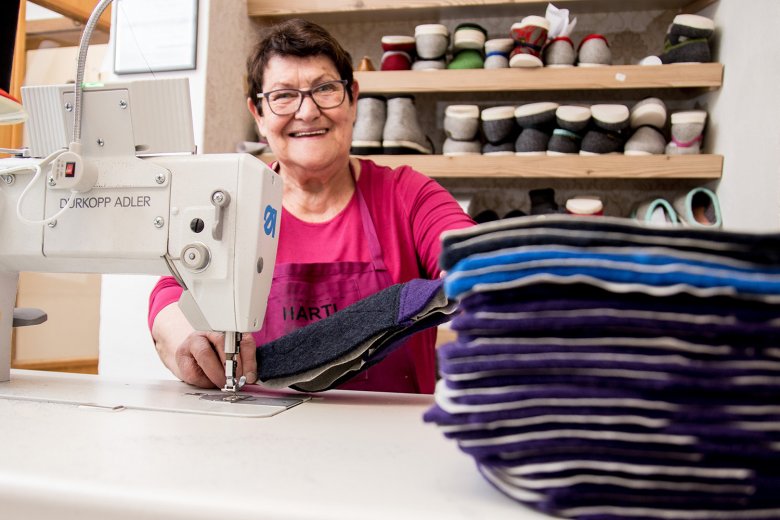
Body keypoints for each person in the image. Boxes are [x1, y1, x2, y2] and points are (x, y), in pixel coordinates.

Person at [148, 18, 474, 394]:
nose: (307, 112)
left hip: (393, 441)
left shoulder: (408, 195)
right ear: (258, 114)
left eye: (325, 89)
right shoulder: (230, 208)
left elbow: (469, 257)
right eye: (283, 95)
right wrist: (185, 337)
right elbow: (170, 295)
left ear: (353, 100)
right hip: (260, 438)